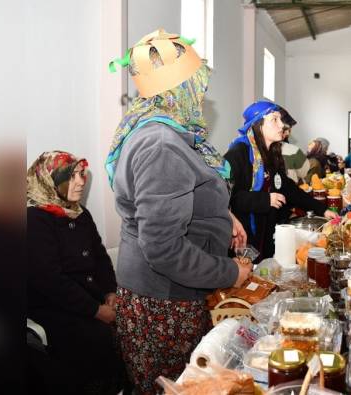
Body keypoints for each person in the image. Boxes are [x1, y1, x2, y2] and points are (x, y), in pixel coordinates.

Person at [106, 29, 251, 394]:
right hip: (162, 302)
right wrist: (230, 272)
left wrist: (223, 215)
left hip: (165, 293)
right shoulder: (161, 144)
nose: (201, 97)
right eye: (197, 87)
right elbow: (164, 248)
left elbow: (177, 196)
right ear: (179, 89)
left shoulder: (162, 130)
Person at [28, 151, 126, 394]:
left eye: (81, 174)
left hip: (89, 297)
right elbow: (49, 280)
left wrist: (110, 291)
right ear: (50, 180)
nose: (82, 181)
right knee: (96, 339)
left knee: (133, 320)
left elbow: (100, 257)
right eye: (71, 176)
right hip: (54, 306)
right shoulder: (34, 219)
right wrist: (96, 311)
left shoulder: (80, 212)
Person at [226, 101, 337, 261]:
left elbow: (287, 188)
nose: (282, 125)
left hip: (267, 233)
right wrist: (265, 199)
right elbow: (229, 199)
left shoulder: (272, 153)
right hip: (244, 236)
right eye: (275, 120)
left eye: (281, 120)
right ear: (258, 125)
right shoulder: (238, 154)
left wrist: (323, 210)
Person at [279, 107, 310, 184]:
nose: (288, 133)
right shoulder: (292, 150)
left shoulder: (255, 149)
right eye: (285, 129)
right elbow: (304, 173)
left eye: (289, 130)